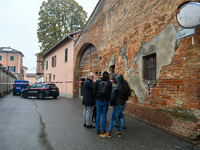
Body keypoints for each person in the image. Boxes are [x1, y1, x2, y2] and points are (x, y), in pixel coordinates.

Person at [100, 74, 131, 138]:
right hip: (123, 104)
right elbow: (128, 93)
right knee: (121, 118)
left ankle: (108, 133)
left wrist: (111, 103)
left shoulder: (116, 86)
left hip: (117, 105)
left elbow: (112, 96)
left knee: (113, 119)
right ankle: (119, 132)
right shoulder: (125, 86)